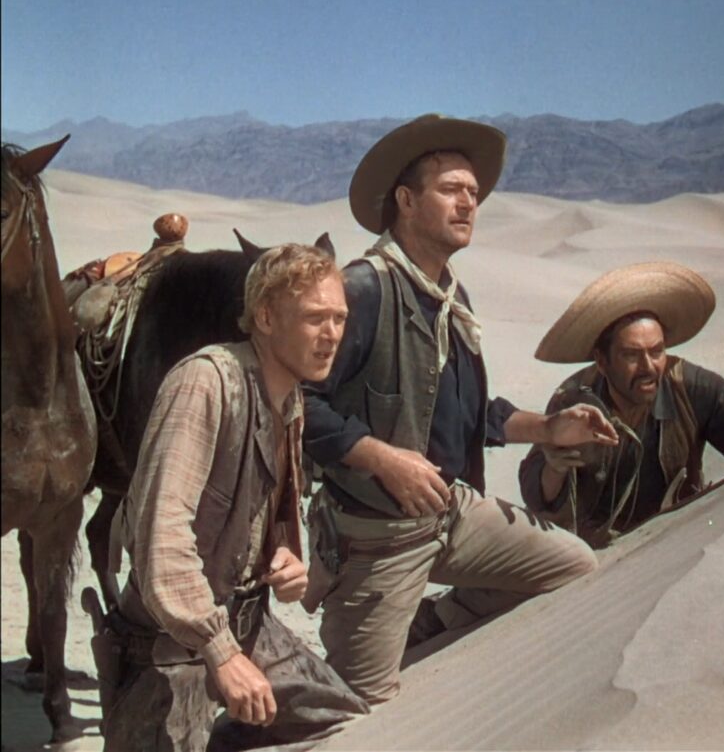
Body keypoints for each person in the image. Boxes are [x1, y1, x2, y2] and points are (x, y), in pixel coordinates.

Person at [302, 114, 617, 705]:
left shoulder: (450, 296)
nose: (469, 203)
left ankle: (434, 623)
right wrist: (382, 459)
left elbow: (471, 414)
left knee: (573, 565)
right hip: (379, 537)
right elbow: (298, 404)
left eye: (474, 194)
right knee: (350, 710)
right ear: (406, 200)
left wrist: (549, 427)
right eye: (451, 190)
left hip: (451, 513)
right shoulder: (364, 291)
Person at [101, 244, 370, 751]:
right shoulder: (204, 384)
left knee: (345, 724)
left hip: (246, 626)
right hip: (168, 646)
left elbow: (260, 520)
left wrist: (285, 556)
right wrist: (221, 653)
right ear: (265, 317)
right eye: (315, 317)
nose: (332, 334)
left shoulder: (288, 396)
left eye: (339, 317)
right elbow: (161, 544)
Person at [519, 262, 724, 548]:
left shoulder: (690, 388)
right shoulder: (574, 401)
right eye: (631, 355)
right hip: (594, 559)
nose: (648, 367)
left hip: (676, 544)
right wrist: (554, 469)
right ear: (602, 361)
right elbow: (536, 495)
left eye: (657, 351)